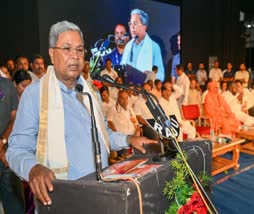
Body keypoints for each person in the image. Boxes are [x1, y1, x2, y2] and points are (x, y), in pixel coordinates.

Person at [6, 21, 156, 206]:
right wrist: (33, 168)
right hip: (63, 197)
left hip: (101, 192)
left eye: (79, 50)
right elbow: (16, 150)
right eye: (67, 49)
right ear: (52, 54)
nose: (75, 56)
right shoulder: (35, 94)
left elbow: (103, 135)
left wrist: (129, 140)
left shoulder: (89, 92)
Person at [0, 76, 25, 213]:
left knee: (15, 205)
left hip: (7, 157)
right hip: (3, 154)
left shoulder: (7, 84)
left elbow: (15, 118)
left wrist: (3, 142)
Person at [121, 9, 164, 81]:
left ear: (144, 27)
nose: (132, 27)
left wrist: (151, 75)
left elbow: (161, 74)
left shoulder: (154, 47)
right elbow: (121, 67)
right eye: (130, 24)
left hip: (144, 88)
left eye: (135, 23)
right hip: (127, 88)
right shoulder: (128, 46)